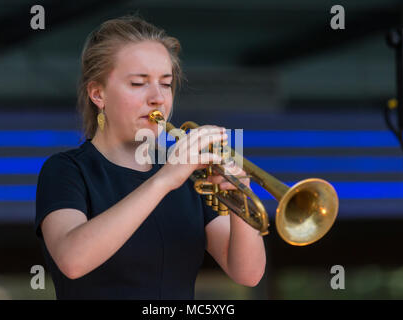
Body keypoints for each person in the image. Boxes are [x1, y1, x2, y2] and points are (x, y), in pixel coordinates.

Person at [34, 15, 266, 300]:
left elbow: (248, 273)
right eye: (138, 83)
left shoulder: (190, 175)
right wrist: (165, 179)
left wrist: (239, 199)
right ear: (98, 94)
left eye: (166, 84)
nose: (158, 98)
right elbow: (72, 260)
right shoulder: (66, 170)